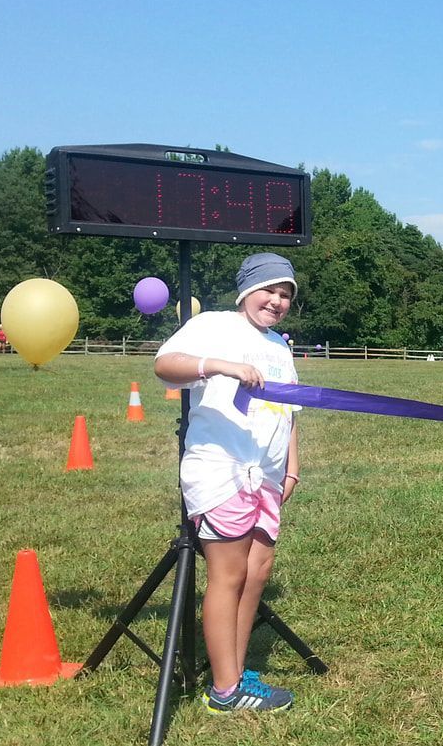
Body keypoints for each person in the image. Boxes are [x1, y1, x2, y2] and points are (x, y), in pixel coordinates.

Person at [154, 252, 301, 712]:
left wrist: (291, 469)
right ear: (246, 291)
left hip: (268, 475)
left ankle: (235, 670)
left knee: (257, 572)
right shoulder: (215, 324)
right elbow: (165, 364)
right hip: (223, 470)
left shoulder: (280, 345)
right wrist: (221, 365)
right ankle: (225, 690)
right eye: (270, 290)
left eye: (286, 295)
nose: (277, 301)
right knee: (229, 574)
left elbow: (291, 411)